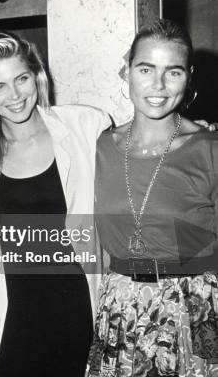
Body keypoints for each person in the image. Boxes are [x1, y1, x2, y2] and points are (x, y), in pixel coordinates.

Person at [0, 32, 112, 377]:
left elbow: (140, 148)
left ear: (37, 76)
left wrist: (195, 133)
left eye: (21, 78)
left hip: (75, 309)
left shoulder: (83, 127)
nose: (14, 95)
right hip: (10, 314)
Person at [88, 19, 218, 377]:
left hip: (190, 313)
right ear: (126, 70)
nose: (158, 85)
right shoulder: (100, 146)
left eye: (172, 72)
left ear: (188, 77)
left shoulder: (209, 148)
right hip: (119, 313)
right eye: (146, 69)